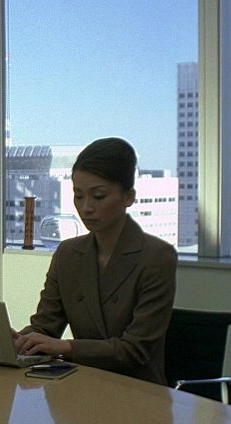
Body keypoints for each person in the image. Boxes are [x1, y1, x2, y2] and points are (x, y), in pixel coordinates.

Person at [13, 137, 177, 385]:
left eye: (98, 196)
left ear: (129, 197)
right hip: (81, 385)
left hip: (138, 393)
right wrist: (18, 341)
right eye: (78, 196)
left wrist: (66, 347)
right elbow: (45, 326)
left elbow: (134, 350)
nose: (86, 207)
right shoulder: (67, 254)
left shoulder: (157, 256)